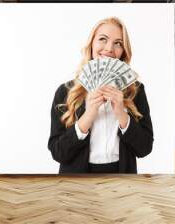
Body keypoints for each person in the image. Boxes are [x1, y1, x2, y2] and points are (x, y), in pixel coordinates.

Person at [48, 17, 153, 174]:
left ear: (123, 51)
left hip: (122, 180)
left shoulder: (135, 91)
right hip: (77, 182)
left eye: (118, 43)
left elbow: (144, 149)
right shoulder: (65, 92)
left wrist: (121, 114)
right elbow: (58, 153)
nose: (109, 48)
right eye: (102, 39)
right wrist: (88, 116)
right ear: (91, 44)